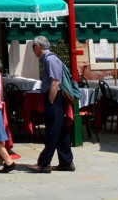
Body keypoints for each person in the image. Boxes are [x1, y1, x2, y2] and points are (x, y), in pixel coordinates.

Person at [29, 36, 74, 173]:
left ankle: (44, 163)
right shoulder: (48, 59)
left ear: (38, 46)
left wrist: (50, 101)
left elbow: (55, 82)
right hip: (55, 99)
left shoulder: (50, 59)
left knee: (52, 131)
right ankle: (66, 162)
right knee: (60, 131)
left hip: (55, 99)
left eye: (33, 47)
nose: (33, 50)